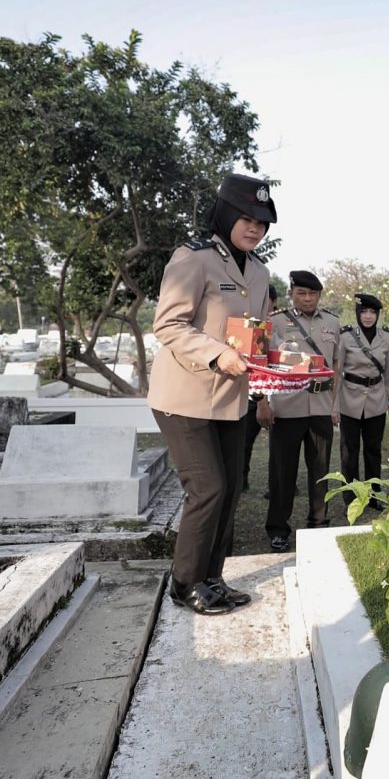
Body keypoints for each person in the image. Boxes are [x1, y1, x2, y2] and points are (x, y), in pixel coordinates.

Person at [148, 172, 276, 615]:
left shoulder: (259, 271)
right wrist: (218, 353)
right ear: (225, 214)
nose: (255, 229)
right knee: (208, 488)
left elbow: (255, 332)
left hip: (231, 398)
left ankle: (212, 579)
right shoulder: (193, 258)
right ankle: (185, 583)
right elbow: (168, 324)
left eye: (262, 222)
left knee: (231, 489)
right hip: (184, 396)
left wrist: (280, 361)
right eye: (247, 218)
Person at [260, 271, 340, 552]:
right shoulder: (275, 322)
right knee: (282, 473)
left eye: (313, 294)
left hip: (320, 408)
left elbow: (336, 366)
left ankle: (318, 523)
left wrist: (334, 405)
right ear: (291, 293)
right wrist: (262, 401)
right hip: (286, 408)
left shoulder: (332, 323)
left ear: (319, 295)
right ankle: (278, 528)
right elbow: (262, 363)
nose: (307, 299)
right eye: (302, 293)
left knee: (320, 471)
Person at [337, 292, 389, 511]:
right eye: (364, 312)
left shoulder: (386, 337)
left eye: (373, 312)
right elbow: (337, 372)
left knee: (373, 451)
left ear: (378, 315)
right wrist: (334, 406)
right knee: (349, 451)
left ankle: (373, 495)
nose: (369, 316)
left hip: (376, 400)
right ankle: (351, 497)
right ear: (358, 313)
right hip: (349, 399)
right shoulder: (346, 337)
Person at [242, 283, 279, 491]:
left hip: (279, 397)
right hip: (253, 397)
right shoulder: (250, 326)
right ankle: (240, 481)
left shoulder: (282, 325)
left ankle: (279, 486)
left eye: (267, 300)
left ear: (274, 302)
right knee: (243, 443)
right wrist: (261, 401)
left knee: (282, 447)